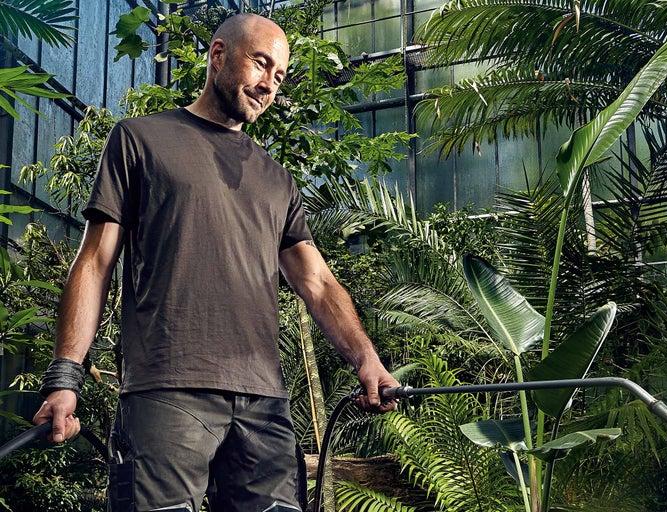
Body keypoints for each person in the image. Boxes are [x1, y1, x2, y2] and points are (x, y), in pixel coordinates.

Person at [32, 13, 399, 512]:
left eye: (280, 75)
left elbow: (316, 281)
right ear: (219, 55)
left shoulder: (277, 180)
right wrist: (65, 377)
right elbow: (95, 261)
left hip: (263, 402)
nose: (269, 84)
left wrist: (368, 360)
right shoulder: (140, 140)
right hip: (167, 390)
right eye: (261, 63)